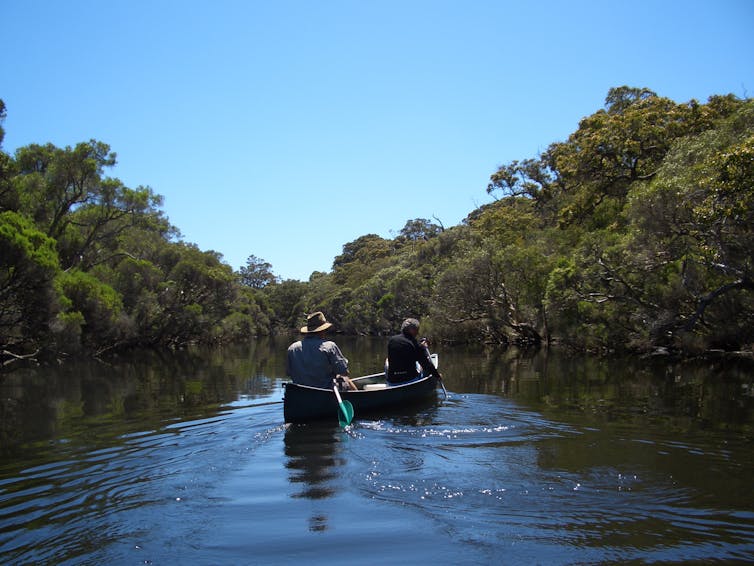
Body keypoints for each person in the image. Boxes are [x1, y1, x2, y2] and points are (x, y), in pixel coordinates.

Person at [286, 311, 357, 390]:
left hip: (300, 393)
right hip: (324, 393)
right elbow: (344, 371)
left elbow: (289, 372)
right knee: (345, 379)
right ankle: (358, 398)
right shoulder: (329, 346)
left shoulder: (292, 348)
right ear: (322, 330)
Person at [386, 317, 442, 385]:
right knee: (424, 368)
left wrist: (420, 348)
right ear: (412, 330)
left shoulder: (392, 340)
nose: (417, 332)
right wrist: (437, 376)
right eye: (417, 330)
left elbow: (404, 352)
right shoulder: (415, 344)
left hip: (392, 381)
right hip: (409, 380)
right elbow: (426, 364)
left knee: (387, 361)